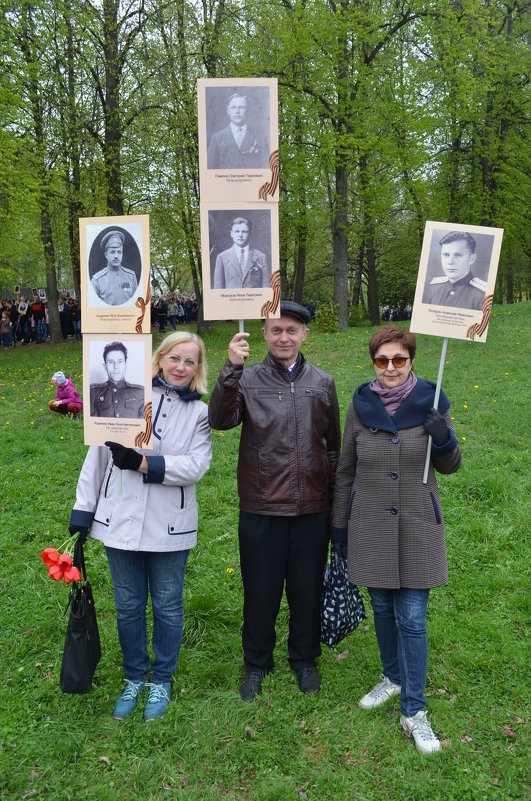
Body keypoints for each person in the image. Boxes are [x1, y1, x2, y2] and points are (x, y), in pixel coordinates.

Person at [331, 326, 462, 755]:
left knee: (411, 617)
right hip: (368, 522)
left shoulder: (433, 398)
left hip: (419, 523)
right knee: (383, 609)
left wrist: (443, 436)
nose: (390, 368)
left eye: (399, 360)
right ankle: (392, 676)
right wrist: (339, 524)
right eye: (382, 360)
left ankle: (414, 710)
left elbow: (451, 466)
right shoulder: (359, 403)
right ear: (374, 363)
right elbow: (346, 469)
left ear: (411, 360)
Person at [69, 331, 212, 721]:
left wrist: (145, 463)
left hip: (170, 524)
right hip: (121, 520)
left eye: (190, 361)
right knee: (129, 606)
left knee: (167, 605)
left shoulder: (200, 413)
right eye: (174, 358)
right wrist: (83, 511)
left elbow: (196, 466)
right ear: (160, 358)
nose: (181, 367)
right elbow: (97, 456)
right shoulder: (130, 398)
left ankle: (161, 680)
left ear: (198, 368)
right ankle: (134, 676)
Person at [208, 301, 341, 700]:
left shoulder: (323, 382)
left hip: (312, 509)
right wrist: (230, 368)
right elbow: (220, 419)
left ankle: (304, 660)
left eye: (292, 330)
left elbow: (332, 448)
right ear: (264, 334)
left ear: (304, 335)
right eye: (276, 330)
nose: (284, 337)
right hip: (261, 507)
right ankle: (256, 663)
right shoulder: (246, 379)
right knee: (260, 592)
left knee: (306, 591)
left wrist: (336, 508)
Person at [424, 231, 487, 310]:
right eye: (446, 255)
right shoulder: (434, 288)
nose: (450, 262)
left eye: (458, 255)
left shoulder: (483, 295)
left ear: (471, 259)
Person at [207, 92, 269, 169]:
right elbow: (210, 173)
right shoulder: (217, 139)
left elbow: (266, 168)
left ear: (247, 110)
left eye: (241, 107)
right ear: (228, 110)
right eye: (233, 107)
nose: (237, 111)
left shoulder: (260, 138)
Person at [90, 341, 144, 418]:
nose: (116, 367)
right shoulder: (93, 393)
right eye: (111, 362)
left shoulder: (140, 392)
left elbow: (144, 424)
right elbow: (92, 424)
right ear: (105, 366)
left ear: (125, 365)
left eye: (120, 361)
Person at [213, 217, 270, 290]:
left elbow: (266, 288)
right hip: (230, 300)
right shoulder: (222, 257)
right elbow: (218, 290)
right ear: (232, 234)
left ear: (249, 233)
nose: (240, 235)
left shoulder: (261, 257)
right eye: (237, 231)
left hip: (254, 300)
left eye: (244, 231)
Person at [91, 230, 138, 306]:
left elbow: (136, 302)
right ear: (106, 255)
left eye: (119, 252)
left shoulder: (131, 276)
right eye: (112, 252)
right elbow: (93, 306)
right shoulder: (97, 280)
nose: (116, 256)